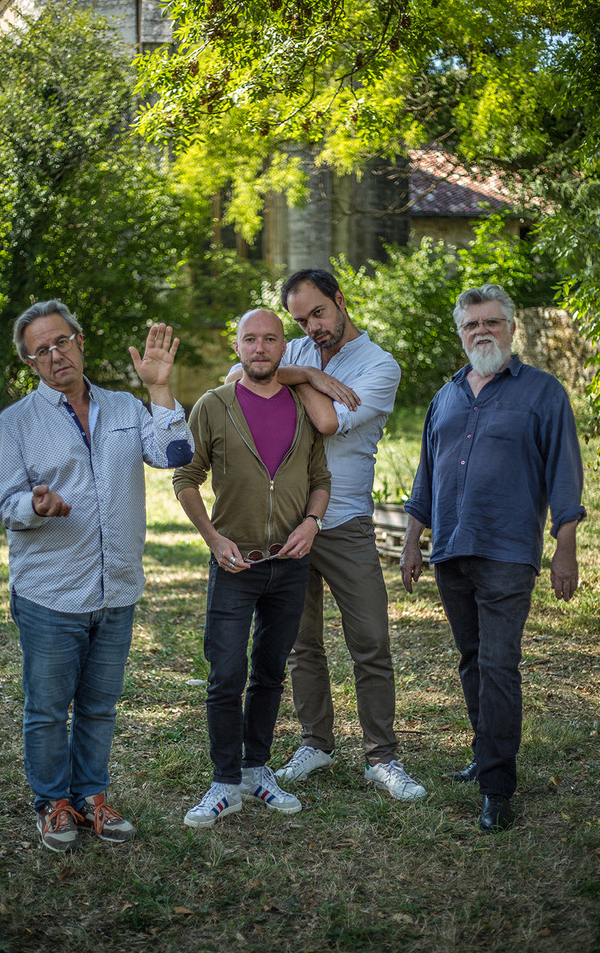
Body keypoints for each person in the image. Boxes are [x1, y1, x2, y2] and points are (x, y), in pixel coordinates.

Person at [0, 299, 194, 852]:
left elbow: (175, 453)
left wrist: (159, 388)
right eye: (41, 351)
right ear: (31, 363)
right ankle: (52, 803)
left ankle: (91, 798)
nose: (55, 355)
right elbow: (6, 505)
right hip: (50, 593)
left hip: (116, 588)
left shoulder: (125, 407)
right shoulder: (16, 423)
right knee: (47, 710)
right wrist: (35, 505)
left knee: (100, 707)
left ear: (79, 341)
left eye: (61, 341)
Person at [229, 270, 426, 801]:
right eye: (299, 320)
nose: (311, 327)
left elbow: (327, 424)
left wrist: (290, 380)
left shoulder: (379, 365)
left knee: (371, 642)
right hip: (286, 523)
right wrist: (308, 373)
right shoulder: (296, 352)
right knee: (300, 644)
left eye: (318, 313)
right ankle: (316, 743)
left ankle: (382, 757)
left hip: (344, 523)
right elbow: (236, 379)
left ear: (339, 300)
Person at [400, 283, 585, 832]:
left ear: (511, 328)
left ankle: (497, 788)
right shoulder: (446, 395)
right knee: (472, 658)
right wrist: (412, 541)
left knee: (499, 664)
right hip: (451, 549)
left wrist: (565, 549)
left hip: (508, 550)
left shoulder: (543, 393)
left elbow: (565, 473)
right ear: (461, 334)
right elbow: (426, 474)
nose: (481, 331)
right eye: (471, 324)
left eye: (491, 322)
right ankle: (485, 756)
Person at [173, 308, 331, 828]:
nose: (259, 347)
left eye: (269, 338)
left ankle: (255, 769)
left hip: (290, 564)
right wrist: (213, 538)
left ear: (284, 347)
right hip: (234, 564)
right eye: (250, 339)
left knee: (269, 672)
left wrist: (311, 523)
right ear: (237, 346)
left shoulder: (303, 406)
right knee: (225, 675)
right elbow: (186, 477)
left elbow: (320, 477)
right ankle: (224, 782)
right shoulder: (213, 405)